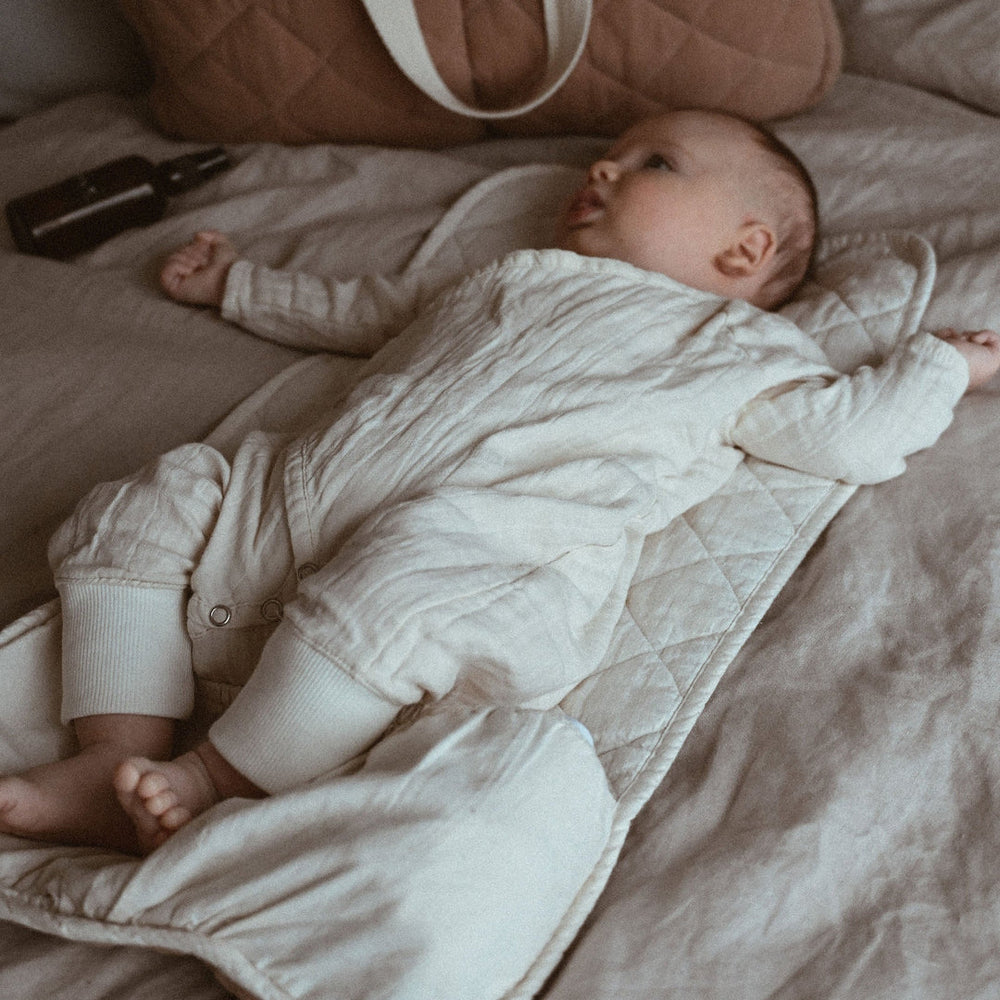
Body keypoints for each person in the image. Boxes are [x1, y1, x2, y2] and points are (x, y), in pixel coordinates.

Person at [1, 109, 997, 856]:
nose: (604, 165)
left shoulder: (739, 345)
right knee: (155, 492)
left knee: (413, 570)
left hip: (457, 567)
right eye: (613, 152)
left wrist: (941, 364)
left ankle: (218, 779)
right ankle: (112, 746)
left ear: (745, 248)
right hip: (288, 510)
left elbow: (849, 435)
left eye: (656, 162)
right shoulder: (508, 274)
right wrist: (242, 285)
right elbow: (373, 313)